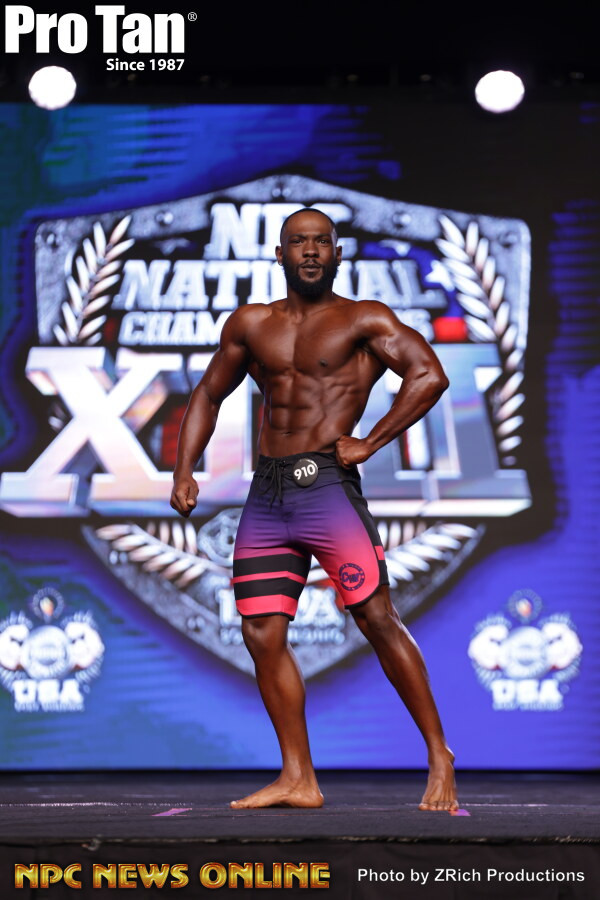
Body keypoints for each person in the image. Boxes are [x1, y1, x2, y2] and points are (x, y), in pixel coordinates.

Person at [171, 207, 458, 812]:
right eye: (298, 242)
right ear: (279, 254)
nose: (309, 251)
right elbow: (209, 392)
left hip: (327, 488)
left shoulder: (363, 319)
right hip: (268, 494)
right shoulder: (251, 324)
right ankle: (298, 777)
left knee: (377, 618)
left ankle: (439, 754)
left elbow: (428, 375)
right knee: (260, 631)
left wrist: (370, 442)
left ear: (337, 253)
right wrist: (184, 468)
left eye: (320, 242)